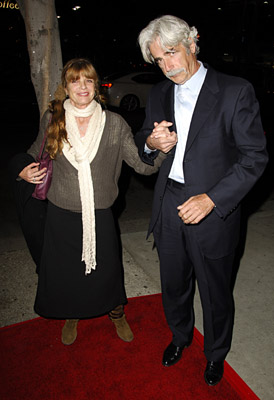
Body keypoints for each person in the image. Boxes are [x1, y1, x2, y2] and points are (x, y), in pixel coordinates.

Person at [135, 15, 268, 386]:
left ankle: (215, 354)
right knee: (174, 283)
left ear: (193, 43)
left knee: (214, 290)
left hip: (212, 206)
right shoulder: (161, 92)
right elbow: (145, 136)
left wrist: (212, 199)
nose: (167, 66)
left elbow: (254, 157)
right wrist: (150, 143)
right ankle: (179, 337)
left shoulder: (234, 91)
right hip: (168, 201)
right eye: (159, 60)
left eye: (172, 54)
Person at [11, 58, 165, 346]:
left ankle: (116, 312)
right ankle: (73, 313)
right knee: (68, 272)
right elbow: (34, 151)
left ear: (97, 86)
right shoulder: (53, 119)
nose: (82, 86)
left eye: (89, 80)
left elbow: (142, 166)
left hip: (100, 213)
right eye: (74, 80)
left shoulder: (115, 124)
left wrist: (159, 149)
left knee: (107, 271)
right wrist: (21, 166)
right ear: (66, 87)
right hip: (61, 214)